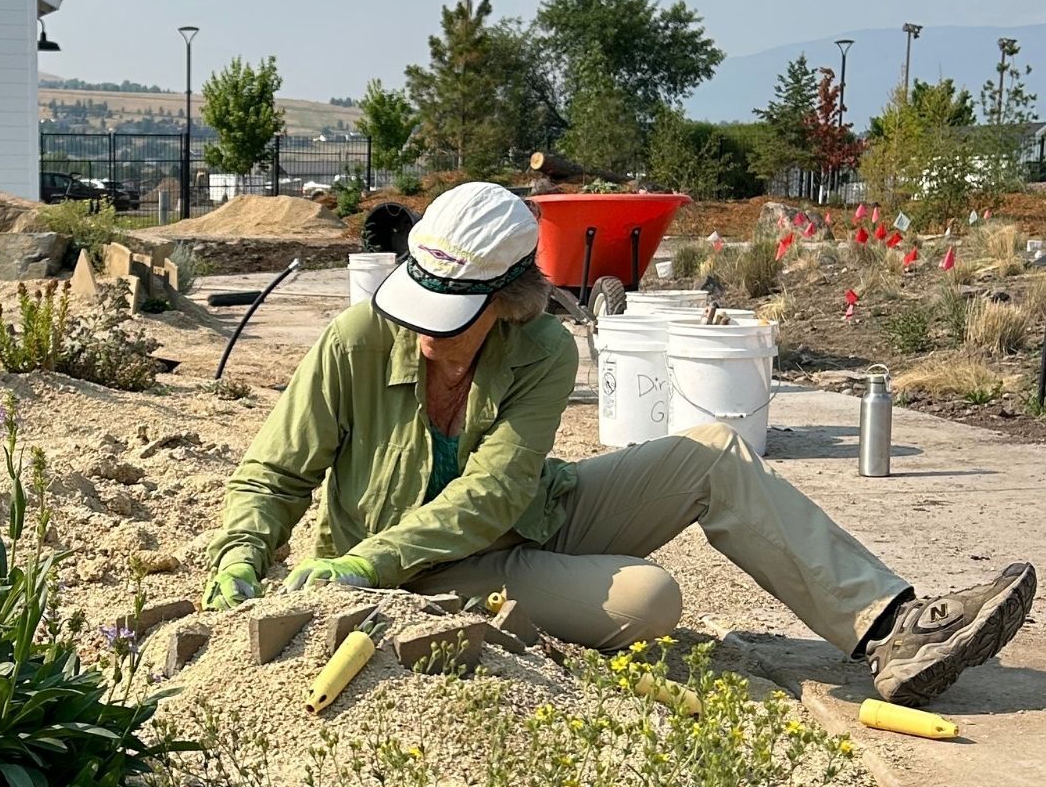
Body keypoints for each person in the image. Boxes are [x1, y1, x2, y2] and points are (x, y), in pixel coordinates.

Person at [203, 181, 1035, 706]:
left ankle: (892, 628)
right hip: (418, 571)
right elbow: (274, 472)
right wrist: (243, 560)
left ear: (512, 298)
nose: (426, 338)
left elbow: (494, 493)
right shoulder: (355, 339)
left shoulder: (540, 349)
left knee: (712, 452)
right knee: (649, 601)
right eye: (419, 312)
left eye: (451, 321)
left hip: (523, 515)